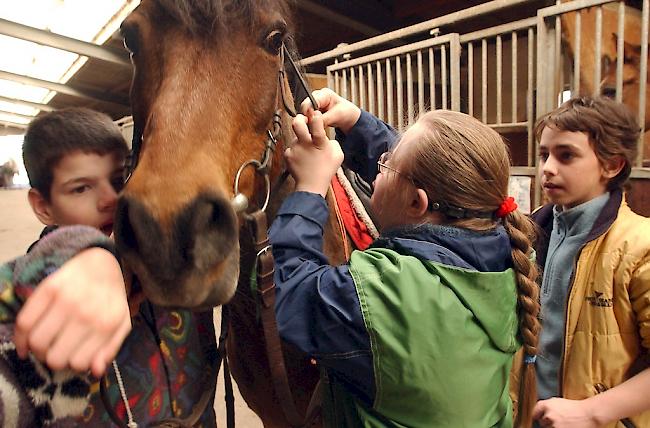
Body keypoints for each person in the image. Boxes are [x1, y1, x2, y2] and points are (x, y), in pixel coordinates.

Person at [269, 88, 541, 427]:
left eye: (386, 165)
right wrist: (357, 122)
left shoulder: (386, 299)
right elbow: (436, 173)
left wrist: (309, 186)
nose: (378, 169)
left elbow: (295, 294)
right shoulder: (509, 257)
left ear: (417, 204)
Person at [0, 108, 218, 427]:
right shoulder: (41, 288)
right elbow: (37, 271)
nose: (110, 199)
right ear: (43, 206)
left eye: (119, 180)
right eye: (81, 188)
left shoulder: (170, 258)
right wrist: (91, 253)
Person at [518, 96, 650, 428]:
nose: (547, 168)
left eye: (566, 155)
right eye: (544, 154)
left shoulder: (639, 246)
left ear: (612, 165)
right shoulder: (529, 233)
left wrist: (593, 412)